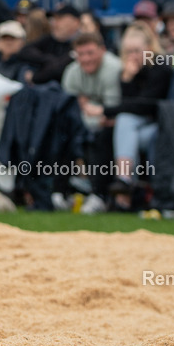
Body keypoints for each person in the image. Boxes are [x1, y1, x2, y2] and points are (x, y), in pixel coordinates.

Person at [103, 24, 172, 209]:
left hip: (161, 125)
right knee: (127, 131)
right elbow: (130, 104)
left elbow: (144, 106)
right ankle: (125, 190)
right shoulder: (128, 71)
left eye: (137, 50)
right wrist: (127, 79)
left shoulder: (161, 67)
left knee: (124, 122)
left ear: (149, 48)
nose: (132, 55)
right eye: (128, 51)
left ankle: (124, 184)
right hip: (139, 128)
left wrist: (105, 111)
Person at [61, 31, 122, 214]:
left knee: (99, 134)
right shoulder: (72, 71)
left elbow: (111, 112)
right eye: (81, 54)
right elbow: (67, 109)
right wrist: (91, 110)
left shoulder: (113, 68)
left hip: (112, 126)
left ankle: (99, 195)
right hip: (84, 124)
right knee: (60, 131)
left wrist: (87, 106)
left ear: (102, 50)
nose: (86, 59)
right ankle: (60, 192)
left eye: (90, 53)